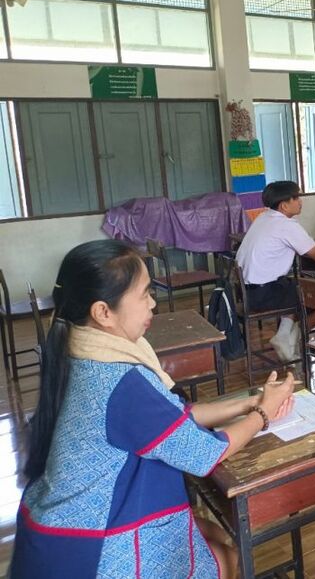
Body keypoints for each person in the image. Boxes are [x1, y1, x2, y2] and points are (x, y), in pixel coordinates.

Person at [11, 240, 296, 579]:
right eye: (144, 294)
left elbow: (172, 417)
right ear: (103, 312)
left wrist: (249, 401)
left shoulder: (81, 353)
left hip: (57, 534)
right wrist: (263, 414)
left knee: (217, 536)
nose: (153, 303)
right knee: (226, 556)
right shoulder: (118, 379)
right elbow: (204, 454)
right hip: (89, 552)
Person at [237, 180, 315, 362]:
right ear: (284, 205)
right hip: (266, 294)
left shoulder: (265, 218)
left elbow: (305, 246)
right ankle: (295, 336)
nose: (300, 201)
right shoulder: (287, 226)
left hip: (248, 292)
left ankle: (284, 335)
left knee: (297, 287)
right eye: (296, 198)